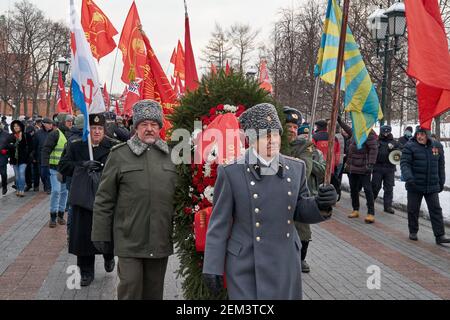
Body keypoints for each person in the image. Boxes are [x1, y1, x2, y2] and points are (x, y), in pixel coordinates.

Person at [202, 103, 337, 300]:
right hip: (246, 265)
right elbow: (219, 225)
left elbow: (300, 210)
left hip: (285, 263)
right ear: (251, 139)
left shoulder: (295, 168)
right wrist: (212, 266)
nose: (272, 140)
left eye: (275, 134)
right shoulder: (232, 172)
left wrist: (320, 204)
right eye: (265, 135)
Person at [92, 100, 179, 300]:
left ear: (159, 127)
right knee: (130, 288)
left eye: (154, 124)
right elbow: (104, 198)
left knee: (154, 292)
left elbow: (180, 196)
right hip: (129, 238)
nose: (149, 129)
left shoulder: (172, 156)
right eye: (144, 124)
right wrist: (100, 233)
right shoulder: (119, 155)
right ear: (136, 127)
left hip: (160, 238)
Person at [59, 114, 117, 286]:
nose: (97, 131)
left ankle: (108, 256)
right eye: (93, 128)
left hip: (105, 197)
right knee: (83, 235)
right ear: (87, 130)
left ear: (104, 130)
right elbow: (63, 166)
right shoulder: (76, 146)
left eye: (100, 128)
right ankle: (86, 271)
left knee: (107, 232)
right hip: (83, 197)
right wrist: (82, 165)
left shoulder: (113, 147)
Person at [283, 106, 326, 274]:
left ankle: (301, 258)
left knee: (302, 229)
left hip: (297, 194)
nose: (292, 131)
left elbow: (304, 171)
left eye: (295, 127)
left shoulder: (304, 146)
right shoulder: (274, 143)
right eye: (289, 127)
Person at [400, 126, 449, 244]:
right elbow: (404, 163)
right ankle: (413, 231)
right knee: (413, 209)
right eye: (418, 134)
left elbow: (440, 165)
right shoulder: (409, 146)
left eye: (422, 134)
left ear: (427, 135)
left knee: (436, 209)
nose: (419, 137)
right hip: (414, 185)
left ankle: (440, 235)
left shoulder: (437, 146)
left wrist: (441, 181)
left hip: (431, 185)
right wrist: (409, 177)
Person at [338, 116, 378, 223]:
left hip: (364, 167)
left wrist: (370, 164)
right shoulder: (356, 131)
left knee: (367, 190)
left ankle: (370, 213)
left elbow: (374, 149)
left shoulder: (369, 133)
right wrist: (340, 121)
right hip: (353, 167)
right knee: (353, 189)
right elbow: (348, 130)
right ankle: (355, 209)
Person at [41, 116, 69, 228]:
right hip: (54, 168)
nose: (71, 123)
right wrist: (44, 165)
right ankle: (53, 216)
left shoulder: (70, 134)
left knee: (64, 192)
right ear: (62, 122)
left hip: (65, 169)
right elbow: (46, 149)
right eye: (68, 121)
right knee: (56, 191)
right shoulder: (54, 134)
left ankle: (61, 215)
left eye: (72, 121)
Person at [372, 125, 400, 214]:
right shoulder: (376, 141)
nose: (386, 134)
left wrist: (394, 149)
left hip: (390, 168)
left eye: (387, 132)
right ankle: (371, 200)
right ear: (381, 132)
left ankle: (387, 206)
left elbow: (401, 150)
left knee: (389, 188)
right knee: (375, 186)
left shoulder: (394, 142)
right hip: (378, 167)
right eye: (384, 132)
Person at [8, 120, 30, 197]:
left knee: (21, 174)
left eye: (17, 126)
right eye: (14, 126)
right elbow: (7, 146)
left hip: (23, 159)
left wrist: (29, 156)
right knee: (17, 176)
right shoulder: (11, 136)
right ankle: (18, 189)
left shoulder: (26, 135)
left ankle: (21, 190)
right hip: (14, 159)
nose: (16, 127)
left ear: (20, 127)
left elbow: (30, 147)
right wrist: (12, 145)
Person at [34, 118, 54, 194]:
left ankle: (48, 187)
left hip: (51, 157)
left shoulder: (54, 133)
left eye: (51, 124)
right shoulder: (38, 133)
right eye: (49, 124)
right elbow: (34, 146)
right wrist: (34, 156)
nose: (51, 125)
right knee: (42, 174)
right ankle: (46, 185)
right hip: (40, 157)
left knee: (49, 173)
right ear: (44, 124)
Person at [0, 121, 10, 195]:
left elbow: (10, 146)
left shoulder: (6, 134)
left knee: (3, 174)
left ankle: (4, 186)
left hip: (2, 158)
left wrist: (6, 151)